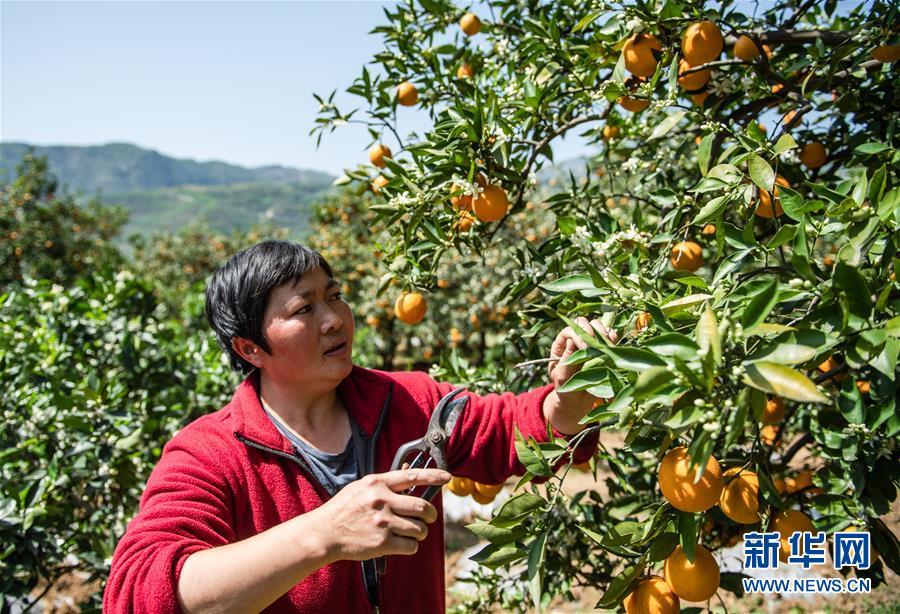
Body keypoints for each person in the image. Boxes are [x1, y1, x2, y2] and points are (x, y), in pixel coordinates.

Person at [103, 240, 615, 613]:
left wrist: (572, 397)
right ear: (250, 348)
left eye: (334, 295)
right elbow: (139, 594)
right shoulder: (210, 454)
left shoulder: (411, 404)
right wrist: (323, 534)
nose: (334, 319)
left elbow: (515, 431)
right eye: (304, 308)